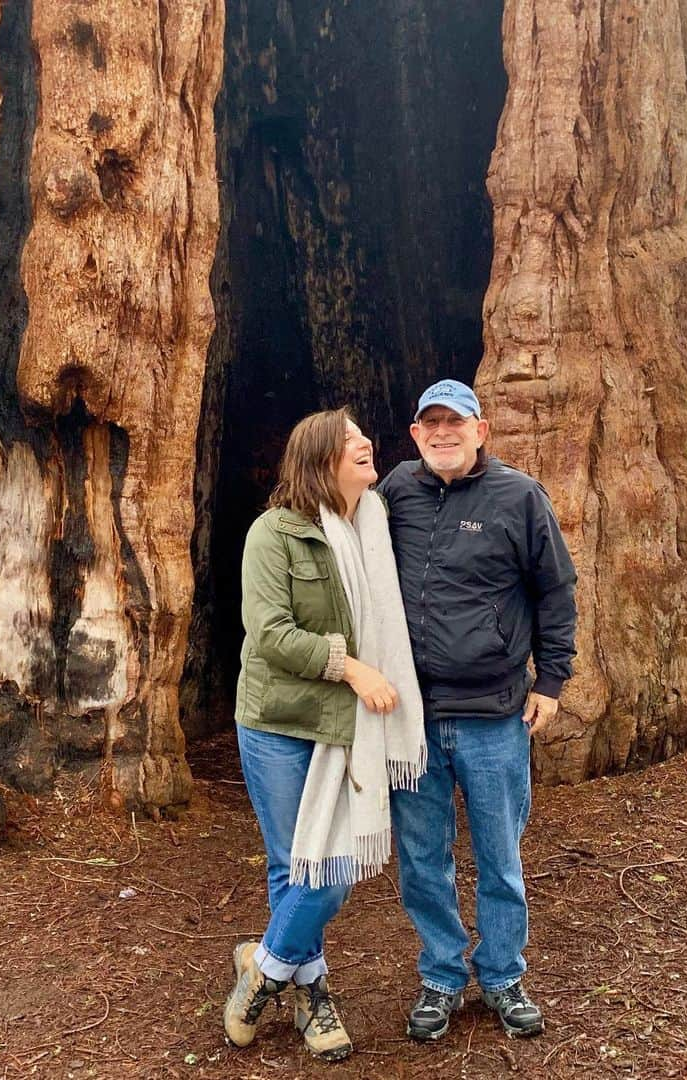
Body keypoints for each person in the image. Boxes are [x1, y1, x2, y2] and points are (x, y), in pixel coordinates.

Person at [377, 378, 577, 1042]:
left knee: (499, 853)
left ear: (480, 430)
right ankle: (440, 975)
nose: (442, 433)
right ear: (414, 435)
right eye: (429, 423)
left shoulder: (519, 497)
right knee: (422, 855)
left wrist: (550, 681)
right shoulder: (395, 494)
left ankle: (501, 975)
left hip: (494, 713)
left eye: (454, 423)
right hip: (413, 719)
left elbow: (555, 591)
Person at [224, 407, 426, 1063]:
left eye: (362, 434)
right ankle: (309, 991)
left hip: (344, 727)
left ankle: (266, 967)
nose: (367, 442)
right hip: (280, 722)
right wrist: (353, 667)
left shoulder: (373, 528)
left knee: (317, 865)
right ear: (318, 462)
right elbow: (270, 633)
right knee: (310, 867)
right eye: (349, 441)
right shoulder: (272, 534)